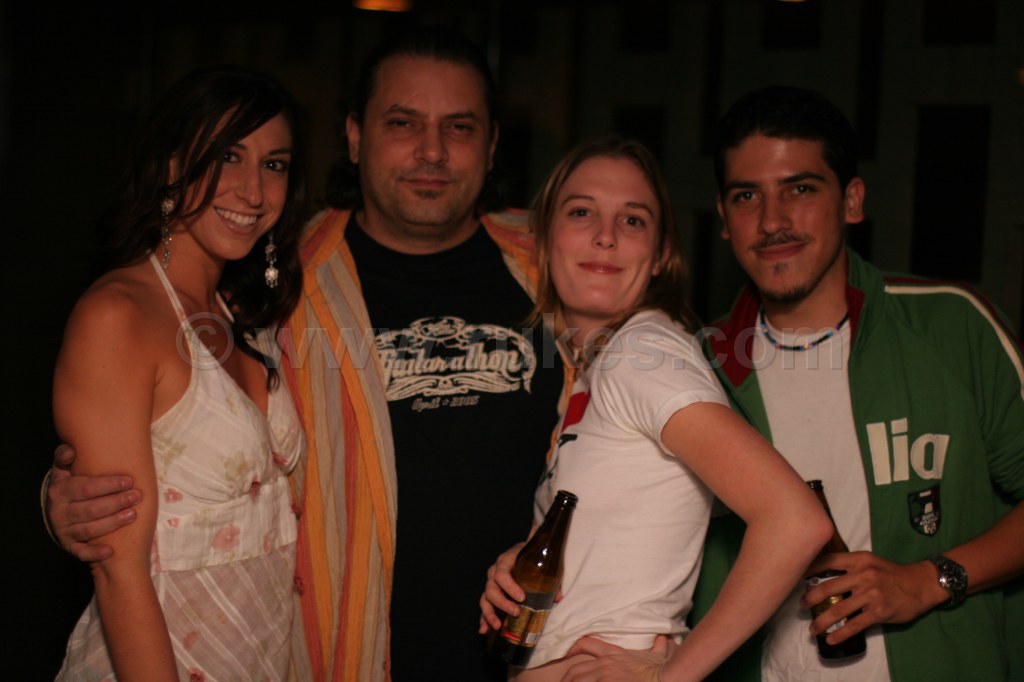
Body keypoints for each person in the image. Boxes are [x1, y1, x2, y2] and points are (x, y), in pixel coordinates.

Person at [44, 26, 565, 681]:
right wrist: (71, 497)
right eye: (402, 122)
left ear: (492, 144)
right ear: (354, 136)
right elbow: (151, 422)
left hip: (536, 659)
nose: (431, 150)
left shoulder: (567, 268)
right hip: (332, 658)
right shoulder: (283, 284)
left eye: (459, 127)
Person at [583, 86, 1024, 681]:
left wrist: (929, 580)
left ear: (852, 200)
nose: (772, 221)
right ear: (723, 219)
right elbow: (618, 522)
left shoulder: (951, 326)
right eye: (747, 196)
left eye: (800, 189)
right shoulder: (695, 367)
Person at [478, 135, 833, 682]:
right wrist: (520, 560)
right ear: (543, 240)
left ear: (662, 255)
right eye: (581, 212)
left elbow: (795, 520)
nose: (605, 236)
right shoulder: (595, 370)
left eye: (633, 220)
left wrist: (673, 677)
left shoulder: (642, 354)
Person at [52, 66, 308, 680]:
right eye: (227, 156)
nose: (253, 191)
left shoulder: (240, 313)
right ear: (170, 166)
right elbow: (117, 566)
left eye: (274, 164)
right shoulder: (117, 316)